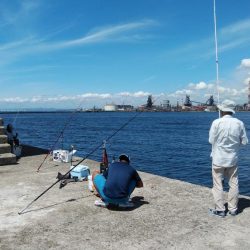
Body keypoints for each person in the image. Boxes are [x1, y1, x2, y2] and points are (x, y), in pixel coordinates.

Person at [209, 100, 248, 217]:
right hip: (233, 159)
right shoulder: (239, 123)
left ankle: (220, 210)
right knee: (234, 184)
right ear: (232, 111)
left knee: (218, 185)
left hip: (218, 159)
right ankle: (233, 209)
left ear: (221, 110)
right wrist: (235, 147)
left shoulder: (216, 122)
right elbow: (245, 142)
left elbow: (211, 140)